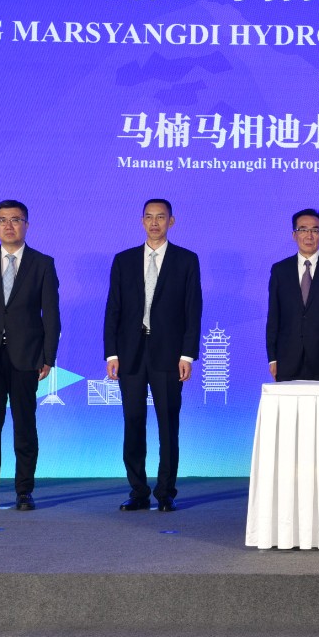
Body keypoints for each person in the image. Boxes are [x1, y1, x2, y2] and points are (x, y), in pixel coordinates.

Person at [0, 200, 61, 512]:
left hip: (26, 356)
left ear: (26, 225)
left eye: (15, 220)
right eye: (2, 220)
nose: (8, 225)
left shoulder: (42, 263)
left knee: (24, 426)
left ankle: (24, 491)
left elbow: (51, 316)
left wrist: (48, 357)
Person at [104, 199, 202, 512]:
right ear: (142, 221)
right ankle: (138, 491)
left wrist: (187, 355)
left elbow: (193, 310)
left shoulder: (186, 260)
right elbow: (113, 308)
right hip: (130, 353)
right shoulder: (124, 260)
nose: (155, 222)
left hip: (169, 355)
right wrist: (111, 353)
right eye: (149, 217)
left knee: (167, 425)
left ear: (171, 221)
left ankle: (165, 492)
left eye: (161, 217)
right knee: (133, 422)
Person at [266, 208, 319, 381]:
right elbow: (274, 316)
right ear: (294, 235)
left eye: (315, 230)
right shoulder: (280, 270)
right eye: (303, 230)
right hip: (287, 358)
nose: (309, 236)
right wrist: (272, 358)